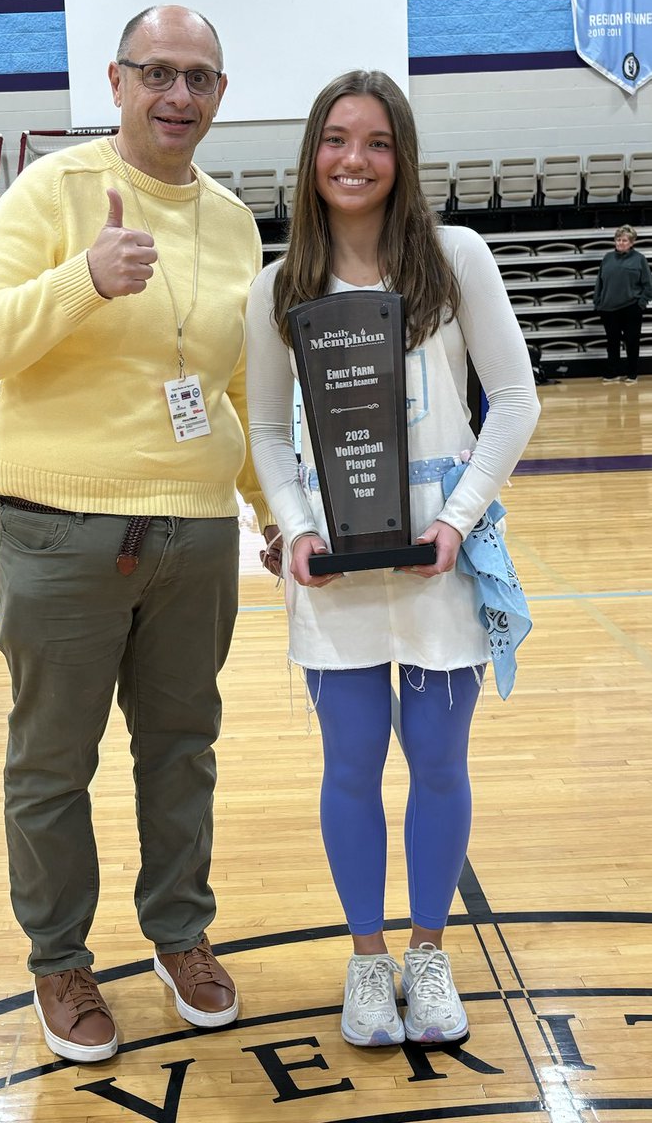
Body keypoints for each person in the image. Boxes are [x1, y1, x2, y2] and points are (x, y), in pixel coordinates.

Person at [0, 4, 277, 1064]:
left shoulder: (233, 221)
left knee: (183, 753)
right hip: (58, 533)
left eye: (202, 80)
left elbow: (232, 381)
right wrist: (83, 280)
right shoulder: (53, 192)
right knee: (53, 763)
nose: (180, 96)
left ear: (220, 96)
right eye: (159, 74)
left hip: (195, 534)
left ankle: (179, 935)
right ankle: (61, 959)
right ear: (118, 80)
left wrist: (275, 511)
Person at [246, 70, 540, 1048]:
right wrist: (292, 527)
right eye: (336, 139)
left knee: (440, 763)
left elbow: (517, 399)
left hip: (438, 558)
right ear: (312, 157)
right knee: (350, 765)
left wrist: (457, 519)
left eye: (376, 141)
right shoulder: (278, 287)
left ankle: (428, 950)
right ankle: (368, 962)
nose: (355, 159)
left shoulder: (456, 258)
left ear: (402, 155)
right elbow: (271, 439)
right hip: (335, 568)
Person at [593, 224, 652, 384]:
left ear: (632, 242)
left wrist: (641, 303)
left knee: (632, 342)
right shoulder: (607, 258)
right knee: (612, 342)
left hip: (631, 307)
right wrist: (597, 302)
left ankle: (632, 373)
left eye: (624, 240)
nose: (620, 243)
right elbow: (600, 282)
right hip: (608, 308)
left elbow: (648, 285)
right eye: (618, 240)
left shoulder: (639, 259)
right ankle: (613, 372)